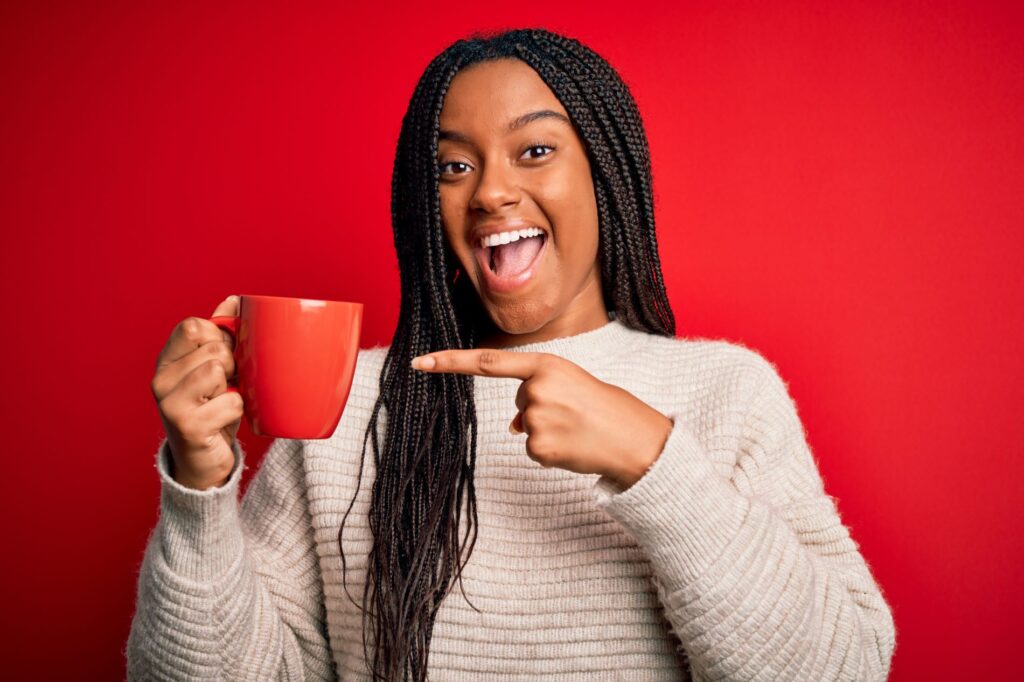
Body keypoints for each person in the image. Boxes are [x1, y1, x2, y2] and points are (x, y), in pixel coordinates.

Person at [127, 28, 896, 681]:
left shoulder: (727, 391)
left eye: (533, 150)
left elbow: (851, 664)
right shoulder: (346, 405)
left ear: (607, 175)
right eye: (454, 166)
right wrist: (199, 489)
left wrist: (654, 462)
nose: (491, 192)